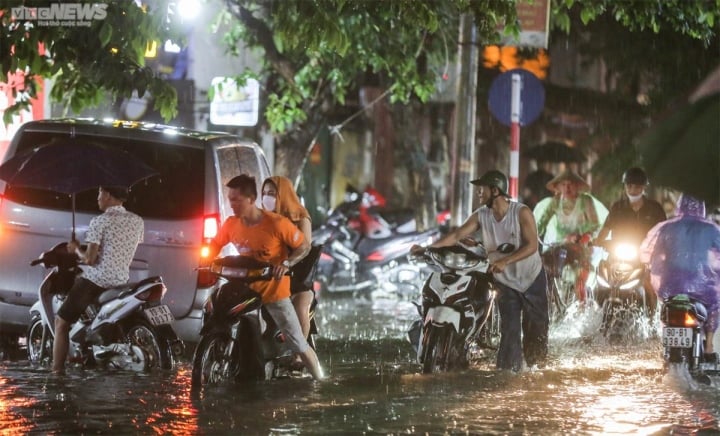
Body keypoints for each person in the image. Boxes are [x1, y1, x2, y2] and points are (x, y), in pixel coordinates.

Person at [411, 170, 547, 372]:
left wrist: (506, 260)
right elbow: (457, 234)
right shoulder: (481, 215)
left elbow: (532, 246)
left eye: (481, 189)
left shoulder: (521, 212)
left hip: (531, 278)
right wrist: (429, 249)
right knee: (509, 330)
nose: (478, 193)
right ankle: (509, 375)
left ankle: (538, 372)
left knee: (536, 331)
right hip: (506, 282)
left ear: (495, 190)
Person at [208, 174, 323, 379]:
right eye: (230, 199)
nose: (232, 204)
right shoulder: (231, 223)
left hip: (278, 286)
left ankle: (318, 378)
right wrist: (205, 258)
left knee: (297, 340)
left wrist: (285, 264)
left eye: (237, 199)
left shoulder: (278, 223)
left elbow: (304, 247)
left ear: (250, 200)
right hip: (246, 286)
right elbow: (214, 245)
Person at [52, 186, 144, 374]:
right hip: (121, 281)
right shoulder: (137, 221)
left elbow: (89, 260)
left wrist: (76, 248)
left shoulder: (100, 222)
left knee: (61, 322)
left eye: (100, 193)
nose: (98, 197)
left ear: (108, 195)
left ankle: (56, 372)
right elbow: (119, 248)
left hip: (97, 281)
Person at [640, 194, 720, 360]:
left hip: (670, 286)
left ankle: (666, 348)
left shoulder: (666, 227)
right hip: (703, 289)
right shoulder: (711, 229)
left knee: (666, 311)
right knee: (715, 304)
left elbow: (647, 253)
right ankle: (710, 346)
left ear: (679, 205)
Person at [595, 167, 666, 315]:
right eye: (629, 186)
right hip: (617, 257)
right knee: (601, 279)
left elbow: (663, 233)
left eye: (637, 186)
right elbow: (605, 229)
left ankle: (652, 318)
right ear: (625, 186)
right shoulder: (617, 207)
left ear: (644, 187)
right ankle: (598, 312)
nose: (633, 189)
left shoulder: (655, 209)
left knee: (649, 284)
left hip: (645, 258)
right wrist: (597, 241)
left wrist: (658, 248)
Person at [534, 169, 606, 303]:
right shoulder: (555, 202)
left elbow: (595, 225)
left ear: (577, 186)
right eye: (564, 184)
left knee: (580, 279)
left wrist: (584, 236)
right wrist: (531, 234)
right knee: (541, 269)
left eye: (570, 184)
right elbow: (541, 224)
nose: (567, 188)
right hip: (560, 246)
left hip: (582, 247)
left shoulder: (585, 201)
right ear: (558, 187)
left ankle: (581, 305)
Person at [261, 176, 317, 350]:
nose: (266, 198)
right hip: (269, 275)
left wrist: (287, 263)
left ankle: (300, 355)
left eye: (271, 193)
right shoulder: (264, 218)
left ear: (283, 194)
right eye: (264, 193)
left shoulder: (301, 217)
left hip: (298, 278)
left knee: (301, 306)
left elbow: (305, 247)